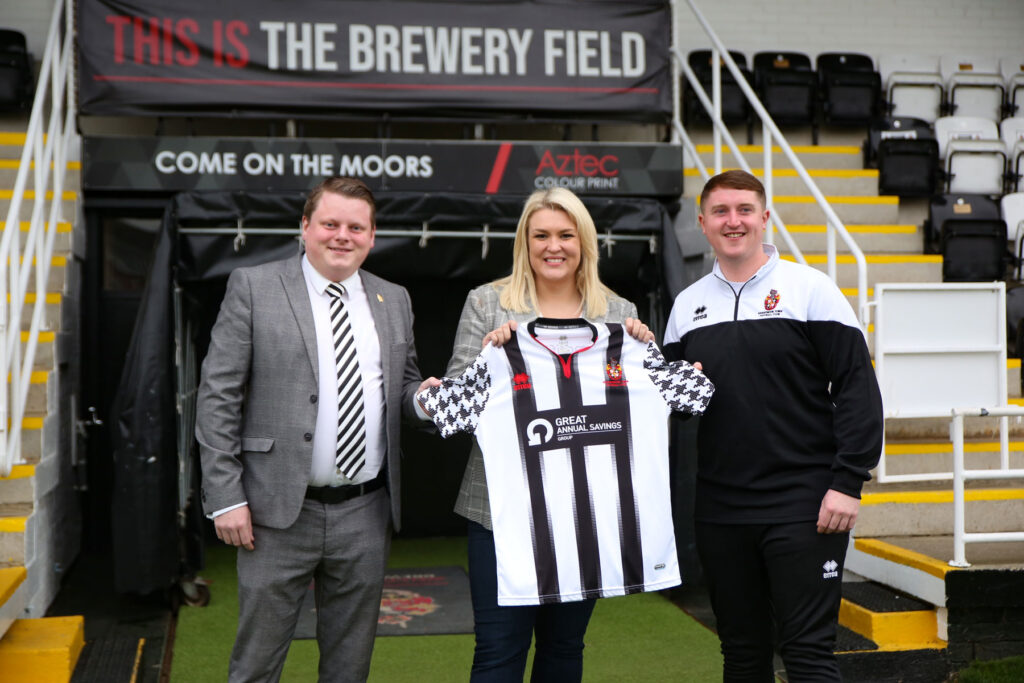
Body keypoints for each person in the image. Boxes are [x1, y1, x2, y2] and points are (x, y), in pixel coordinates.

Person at [196, 176, 437, 683]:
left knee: (349, 667)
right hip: (274, 512)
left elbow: (403, 388)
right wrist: (224, 496)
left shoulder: (394, 299)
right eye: (330, 223)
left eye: (356, 226)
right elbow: (218, 396)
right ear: (304, 227)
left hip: (365, 511)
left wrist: (428, 399)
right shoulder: (254, 287)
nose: (341, 236)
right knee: (256, 665)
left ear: (373, 236)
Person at [662, 170, 883, 681]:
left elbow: (856, 388)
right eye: (720, 212)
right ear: (702, 223)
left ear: (764, 217)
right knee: (741, 653)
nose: (733, 221)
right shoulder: (685, 307)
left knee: (807, 654)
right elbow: (670, 407)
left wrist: (847, 482)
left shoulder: (811, 290)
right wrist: (677, 391)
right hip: (720, 508)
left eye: (744, 210)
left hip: (805, 502)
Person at [445, 187, 653, 682]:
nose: (553, 246)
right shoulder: (488, 304)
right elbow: (455, 403)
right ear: (525, 241)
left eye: (565, 234)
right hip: (500, 514)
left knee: (564, 647)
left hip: (584, 512)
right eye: (541, 235)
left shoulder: (617, 312)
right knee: (497, 651)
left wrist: (650, 351)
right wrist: (489, 359)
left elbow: (641, 408)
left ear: (584, 242)